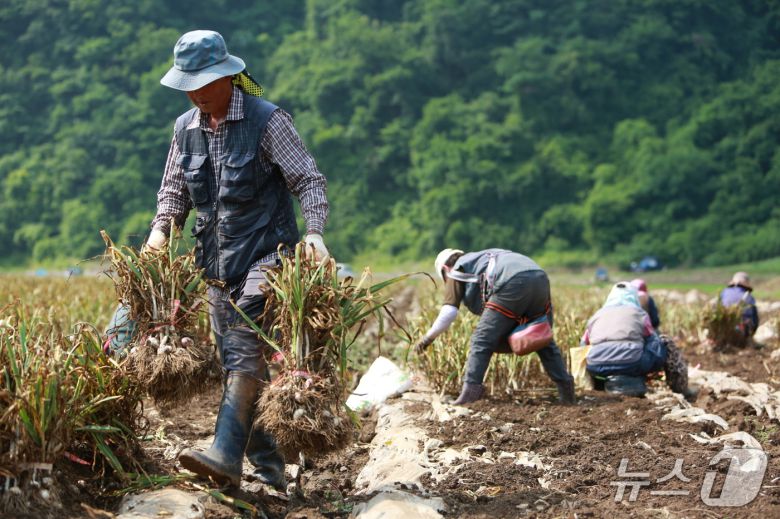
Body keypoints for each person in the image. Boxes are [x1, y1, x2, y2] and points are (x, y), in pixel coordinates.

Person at [131, 30, 330, 490]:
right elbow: (173, 190)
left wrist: (315, 234)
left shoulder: (268, 121)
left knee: (244, 347)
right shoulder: (185, 129)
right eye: (188, 85)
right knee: (242, 363)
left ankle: (224, 454)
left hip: (269, 258)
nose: (196, 92)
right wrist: (162, 230)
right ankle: (270, 470)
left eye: (203, 82)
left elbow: (309, 180)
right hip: (217, 266)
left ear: (229, 75)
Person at [414, 248, 575, 405]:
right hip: (539, 277)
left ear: (445, 269)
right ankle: (566, 389)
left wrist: (426, 340)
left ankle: (470, 394)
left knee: (481, 340)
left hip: (512, 281)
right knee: (539, 335)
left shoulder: (457, 269)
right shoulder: (480, 259)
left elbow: (448, 312)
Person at [582, 282, 692, 398]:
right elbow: (653, 339)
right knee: (665, 342)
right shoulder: (639, 313)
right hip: (632, 363)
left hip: (597, 367)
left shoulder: (596, 316)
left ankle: (596, 385)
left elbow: (584, 343)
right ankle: (680, 388)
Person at [719, 272, 759, 339]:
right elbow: (754, 319)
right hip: (741, 329)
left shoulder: (724, 292)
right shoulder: (749, 297)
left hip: (724, 327)